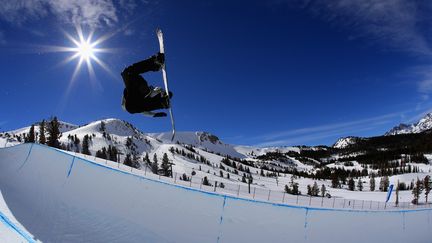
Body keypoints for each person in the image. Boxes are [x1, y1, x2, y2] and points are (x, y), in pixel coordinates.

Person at [121, 52, 172, 117]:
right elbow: (143, 111)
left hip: (137, 87)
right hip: (140, 91)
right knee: (126, 73)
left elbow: (143, 110)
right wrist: (155, 114)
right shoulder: (134, 104)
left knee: (126, 73)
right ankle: (162, 101)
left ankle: (155, 63)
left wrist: (155, 114)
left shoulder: (129, 97)